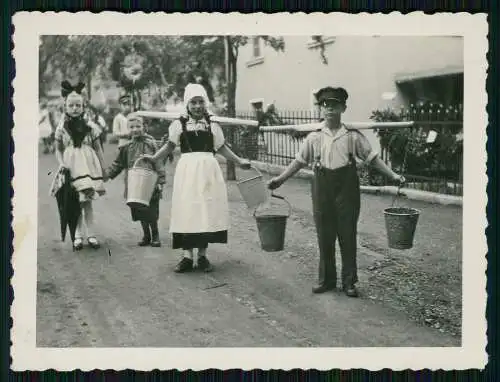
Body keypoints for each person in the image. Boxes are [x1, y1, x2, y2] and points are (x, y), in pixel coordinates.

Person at [267, 86, 405, 297]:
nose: (329, 109)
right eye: (326, 105)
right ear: (322, 109)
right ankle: (327, 280)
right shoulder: (314, 137)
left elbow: (373, 159)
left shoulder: (352, 136)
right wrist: (280, 179)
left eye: (334, 105)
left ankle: (349, 281)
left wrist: (393, 176)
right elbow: (299, 161)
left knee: (347, 235)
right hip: (322, 188)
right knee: (324, 235)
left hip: (347, 190)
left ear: (343, 108)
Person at [142, 83, 251, 273]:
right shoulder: (179, 125)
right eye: (194, 102)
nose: (198, 106)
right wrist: (154, 158)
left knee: (205, 211)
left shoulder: (213, 126)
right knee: (187, 209)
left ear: (205, 103)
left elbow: (222, 148)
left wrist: (239, 161)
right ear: (187, 104)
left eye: (201, 102)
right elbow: (169, 146)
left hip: (208, 172)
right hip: (188, 172)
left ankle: (202, 256)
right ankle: (186, 256)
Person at [54, 80, 107, 251]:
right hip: (71, 167)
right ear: (66, 107)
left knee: (87, 202)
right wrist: (62, 163)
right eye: (71, 105)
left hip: (87, 166)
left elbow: (98, 148)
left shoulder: (90, 127)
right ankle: (77, 236)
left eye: (78, 105)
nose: (75, 108)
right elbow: (58, 150)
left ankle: (91, 234)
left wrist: (103, 167)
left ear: (83, 107)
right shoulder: (62, 128)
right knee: (74, 201)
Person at [105, 114, 165, 247]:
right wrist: (108, 174)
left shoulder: (151, 144)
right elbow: (118, 164)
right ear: (128, 129)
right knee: (139, 209)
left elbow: (159, 162)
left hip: (151, 183)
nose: (135, 129)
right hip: (134, 184)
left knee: (152, 211)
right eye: (132, 127)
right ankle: (146, 235)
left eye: (138, 126)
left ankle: (155, 235)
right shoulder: (127, 147)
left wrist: (160, 181)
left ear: (144, 127)